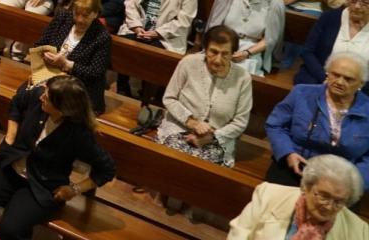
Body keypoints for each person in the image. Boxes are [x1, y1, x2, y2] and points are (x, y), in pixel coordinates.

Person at [0, 75, 114, 239]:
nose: (42, 96)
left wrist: (74, 189)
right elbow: (17, 102)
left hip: (41, 185)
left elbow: (106, 169)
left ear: (63, 109)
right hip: (11, 165)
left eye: (47, 98)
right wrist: (10, 136)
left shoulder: (79, 134)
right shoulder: (38, 97)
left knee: (10, 230)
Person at [265, 52, 369, 187]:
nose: (339, 82)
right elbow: (275, 126)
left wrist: (355, 181)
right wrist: (288, 153)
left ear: (361, 83)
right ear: (327, 73)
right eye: (335, 74)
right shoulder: (301, 93)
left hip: (341, 182)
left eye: (348, 79)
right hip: (295, 167)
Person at [157, 25, 253, 166]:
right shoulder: (188, 63)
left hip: (217, 138)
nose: (218, 60)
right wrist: (192, 122)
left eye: (225, 54)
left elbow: (240, 121)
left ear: (233, 53)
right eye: (213, 52)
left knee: (204, 169)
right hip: (179, 127)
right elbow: (169, 98)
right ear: (205, 49)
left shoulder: (242, 78)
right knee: (173, 158)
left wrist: (212, 135)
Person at [229, 155, 369, 239]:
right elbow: (239, 233)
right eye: (323, 196)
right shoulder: (269, 194)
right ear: (306, 187)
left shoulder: (360, 232)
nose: (329, 206)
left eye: (338, 201)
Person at [33, 0, 112, 112]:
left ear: (95, 14)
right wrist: (46, 54)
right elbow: (40, 44)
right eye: (77, 14)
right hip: (49, 76)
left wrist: (66, 64)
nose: (79, 19)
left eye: (85, 15)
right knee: (28, 95)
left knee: (47, 102)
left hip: (78, 90)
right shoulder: (62, 17)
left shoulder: (102, 37)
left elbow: (95, 73)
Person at [209, 0, 286, 76]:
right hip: (221, 43)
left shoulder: (275, 3)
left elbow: (270, 40)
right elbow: (214, 27)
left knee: (240, 74)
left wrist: (246, 53)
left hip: (252, 49)